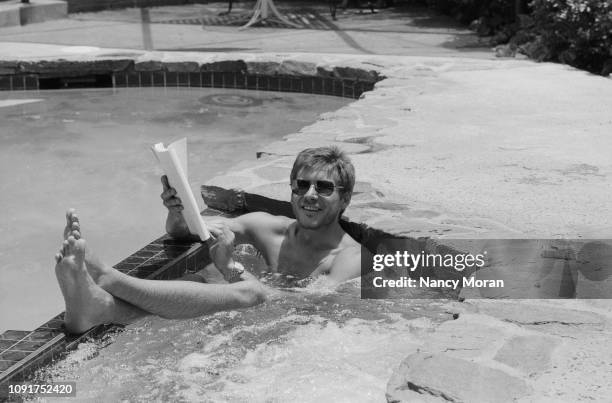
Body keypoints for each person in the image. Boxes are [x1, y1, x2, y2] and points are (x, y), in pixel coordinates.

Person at [55, 146, 363, 334]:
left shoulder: (350, 258)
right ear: (292, 189)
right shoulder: (267, 227)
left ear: (345, 199)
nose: (310, 195)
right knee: (207, 282)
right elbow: (193, 231)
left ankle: (109, 279)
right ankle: (100, 308)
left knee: (251, 292)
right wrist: (178, 212)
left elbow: (314, 308)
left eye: (323, 188)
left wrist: (231, 267)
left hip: (299, 333)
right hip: (249, 315)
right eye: (302, 185)